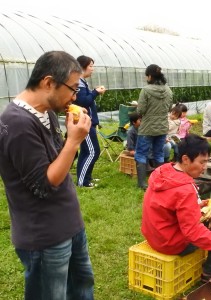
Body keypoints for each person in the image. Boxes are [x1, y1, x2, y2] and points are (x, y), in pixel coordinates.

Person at [0, 51, 94, 299]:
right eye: (72, 89)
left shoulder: (47, 112)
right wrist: (74, 141)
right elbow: (44, 184)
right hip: (44, 237)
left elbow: (58, 164)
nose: (75, 96)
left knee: (82, 289)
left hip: (69, 225)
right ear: (49, 82)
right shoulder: (17, 123)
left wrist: (69, 138)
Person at [141, 134, 211, 282]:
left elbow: (168, 206)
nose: (204, 167)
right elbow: (193, 233)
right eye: (202, 162)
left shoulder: (163, 172)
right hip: (171, 244)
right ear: (186, 159)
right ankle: (210, 271)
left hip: (154, 236)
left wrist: (196, 206)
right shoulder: (185, 189)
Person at [135, 64, 172, 190]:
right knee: (159, 153)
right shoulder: (168, 90)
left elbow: (140, 110)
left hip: (147, 128)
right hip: (162, 126)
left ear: (150, 76)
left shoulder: (145, 90)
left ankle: (142, 183)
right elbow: (169, 107)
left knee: (141, 154)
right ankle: (159, 179)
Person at [75, 55, 106, 188]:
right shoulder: (79, 84)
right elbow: (83, 102)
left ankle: (86, 177)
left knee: (86, 151)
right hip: (84, 122)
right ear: (83, 67)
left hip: (88, 122)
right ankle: (83, 182)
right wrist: (95, 92)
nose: (92, 69)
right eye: (91, 66)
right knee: (93, 152)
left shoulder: (82, 82)